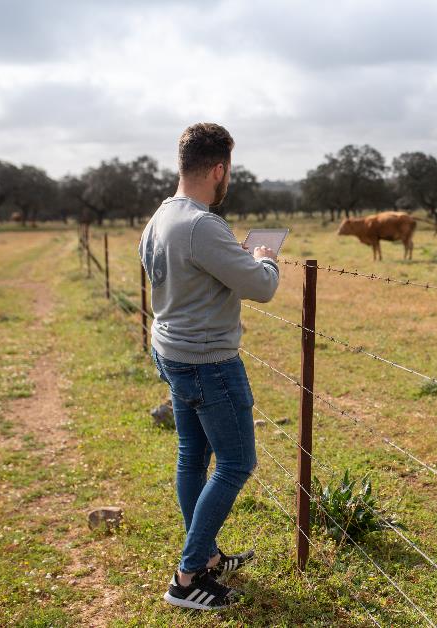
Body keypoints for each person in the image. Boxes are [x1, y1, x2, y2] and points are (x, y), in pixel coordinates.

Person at [138, 122, 279, 610]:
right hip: (209, 361)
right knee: (238, 462)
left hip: (173, 352)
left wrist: (228, 260)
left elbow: (181, 275)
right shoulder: (202, 224)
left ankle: (207, 557)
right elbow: (261, 287)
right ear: (218, 169)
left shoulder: (160, 217)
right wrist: (263, 260)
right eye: (229, 170)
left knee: (192, 457)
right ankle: (188, 575)